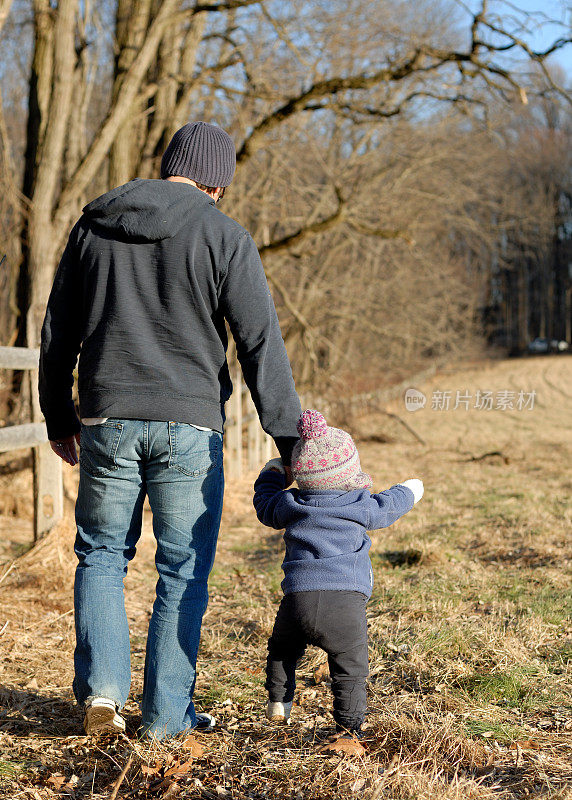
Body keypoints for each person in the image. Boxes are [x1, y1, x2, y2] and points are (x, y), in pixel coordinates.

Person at [39, 121, 301, 740]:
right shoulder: (224, 235)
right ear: (218, 182)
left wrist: (58, 416)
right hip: (189, 425)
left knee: (101, 554)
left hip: (106, 418)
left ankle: (103, 692)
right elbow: (260, 344)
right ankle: (163, 718)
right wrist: (291, 442)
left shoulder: (95, 226)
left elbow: (58, 332)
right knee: (183, 571)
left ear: (169, 165)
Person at [253, 409, 423, 751]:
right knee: (350, 667)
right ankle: (348, 729)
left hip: (297, 600)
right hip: (344, 602)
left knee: (283, 650)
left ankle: (278, 702)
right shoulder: (359, 504)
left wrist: (272, 474)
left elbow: (263, 505)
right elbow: (389, 505)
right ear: (350, 471)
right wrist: (410, 490)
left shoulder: (290, 502)